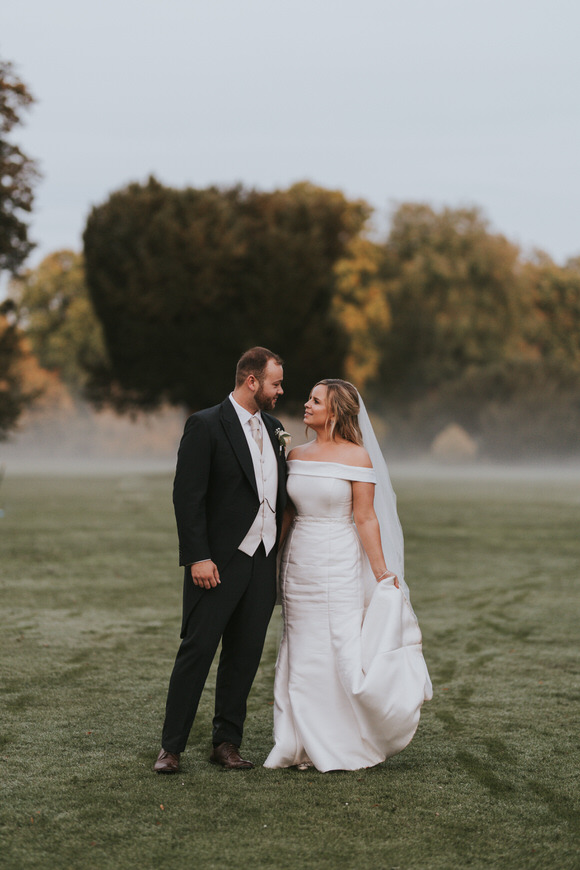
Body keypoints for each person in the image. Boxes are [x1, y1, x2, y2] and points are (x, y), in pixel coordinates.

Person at [264, 379, 432, 773]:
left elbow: (365, 516)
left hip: (339, 559)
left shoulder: (358, 458)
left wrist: (380, 571)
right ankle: (296, 740)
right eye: (308, 398)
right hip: (298, 561)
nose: (306, 404)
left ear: (335, 411)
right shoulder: (296, 453)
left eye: (315, 400)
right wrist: (271, 558)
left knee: (338, 644)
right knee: (299, 647)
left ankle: (339, 739)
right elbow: (288, 512)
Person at [154, 347, 287, 773]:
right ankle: (170, 748)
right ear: (252, 381)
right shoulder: (206, 424)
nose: (280, 390)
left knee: (244, 656)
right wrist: (198, 557)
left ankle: (226, 743)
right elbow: (187, 497)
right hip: (217, 563)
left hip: (262, 561)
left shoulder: (275, 427)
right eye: (275, 383)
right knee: (197, 652)